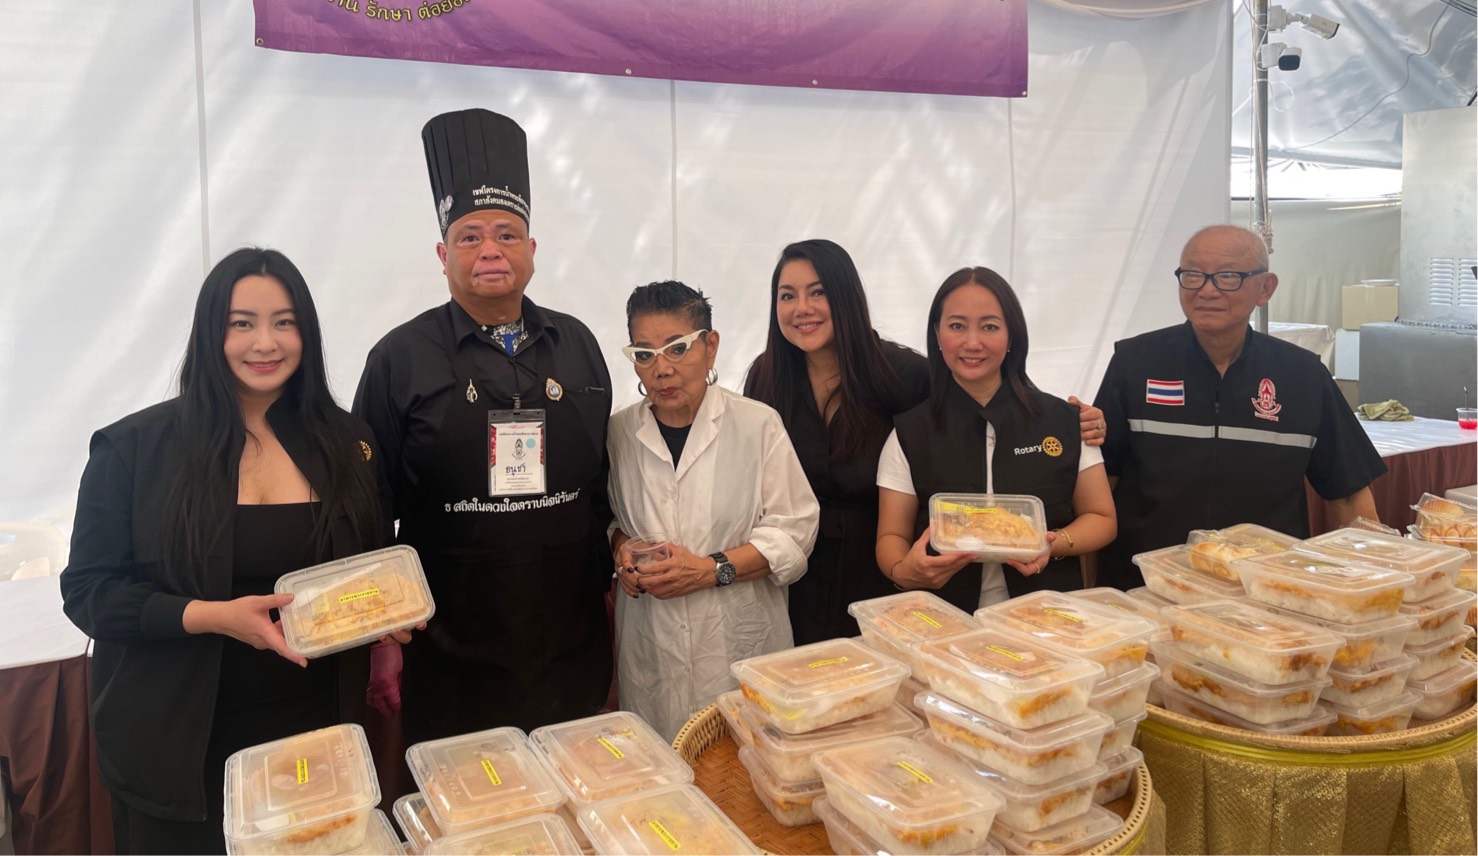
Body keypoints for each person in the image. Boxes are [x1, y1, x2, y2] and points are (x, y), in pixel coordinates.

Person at [59, 248, 393, 854]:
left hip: (312, 733)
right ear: (210, 332)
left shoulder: (348, 442)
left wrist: (383, 616)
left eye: (284, 322)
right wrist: (213, 616)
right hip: (179, 744)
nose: (265, 342)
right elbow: (88, 594)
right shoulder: (134, 449)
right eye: (242, 323)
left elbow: (367, 566)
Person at [353, 109, 614, 743]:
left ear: (532, 251)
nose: (490, 249)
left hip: (570, 636)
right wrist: (381, 634)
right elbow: (366, 506)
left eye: (506, 234)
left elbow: (603, 485)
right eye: (470, 236)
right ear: (443, 255)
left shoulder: (578, 343)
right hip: (447, 645)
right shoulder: (399, 357)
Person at [746, 240, 1109, 641]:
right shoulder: (767, 377)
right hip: (800, 571)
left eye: (818, 292)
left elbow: (984, 397)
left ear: (846, 298)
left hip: (886, 574)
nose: (802, 308)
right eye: (787, 296)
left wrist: (1071, 421)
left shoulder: (902, 374)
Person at [1092, 225, 1386, 589]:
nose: (1207, 290)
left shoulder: (1304, 375)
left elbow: (1350, 495)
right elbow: (1100, 482)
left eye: (1228, 276)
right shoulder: (1134, 362)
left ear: (1265, 289)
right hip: (1146, 586)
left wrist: (1376, 579)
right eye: (1193, 275)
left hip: (1265, 591)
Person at [607, 281, 819, 739]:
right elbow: (611, 519)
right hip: (651, 646)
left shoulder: (756, 424)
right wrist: (621, 549)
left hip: (740, 644)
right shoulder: (619, 432)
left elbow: (795, 531)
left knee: (743, 766)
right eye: (644, 354)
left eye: (677, 348)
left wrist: (709, 570)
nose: (662, 368)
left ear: (711, 346)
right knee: (660, 766)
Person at [876, 267, 1117, 611]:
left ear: (1012, 336)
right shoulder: (909, 432)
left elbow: (1102, 517)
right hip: (945, 619)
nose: (972, 342)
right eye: (957, 326)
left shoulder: (1065, 421)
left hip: (1046, 614)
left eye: (989, 327)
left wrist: (1052, 543)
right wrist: (905, 571)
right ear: (937, 334)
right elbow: (891, 537)